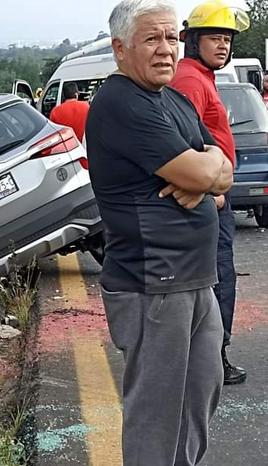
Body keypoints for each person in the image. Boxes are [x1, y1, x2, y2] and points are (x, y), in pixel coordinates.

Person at [87, 1, 233, 464]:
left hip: (196, 279)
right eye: (152, 39)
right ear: (120, 48)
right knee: (157, 416)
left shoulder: (172, 99)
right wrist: (202, 174)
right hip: (155, 283)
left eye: (172, 38)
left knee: (199, 400)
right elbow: (200, 172)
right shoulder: (120, 102)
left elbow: (222, 171)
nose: (166, 50)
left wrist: (207, 174)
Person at [170, 0, 250, 386]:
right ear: (193, 41)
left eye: (227, 40)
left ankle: (211, 357)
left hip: (214, 195)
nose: (223, 46)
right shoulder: (189, 79)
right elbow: (182, 141)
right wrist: (208, 193)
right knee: (216, 278)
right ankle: (211, 360)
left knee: (216, 277)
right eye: (215, 38)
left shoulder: (202, 77)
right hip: (210, 202)